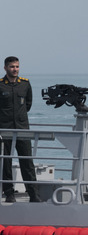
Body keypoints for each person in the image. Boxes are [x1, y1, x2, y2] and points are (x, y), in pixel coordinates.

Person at [0, 56, 41, 202]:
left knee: (27, 162)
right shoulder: (0, 85)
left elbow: (28, 104)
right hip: (4, 130)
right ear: (5, 68)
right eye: (12, 67)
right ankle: (9, 194)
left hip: (22, 129)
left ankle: (33, 194)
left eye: (17, 66)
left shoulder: (25, 84)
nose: (15, 69)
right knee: (5, 163)